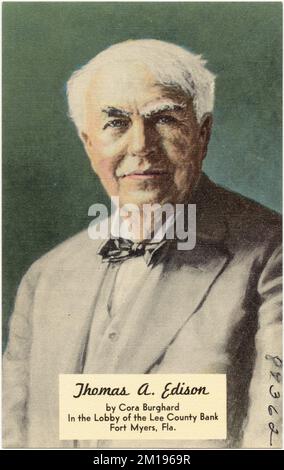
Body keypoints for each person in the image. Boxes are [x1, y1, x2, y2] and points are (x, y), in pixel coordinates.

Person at [3, 39, 282, 449]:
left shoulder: (272, 252)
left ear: (202, 133)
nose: (141, 146)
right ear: (88, 142)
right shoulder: (45, 278)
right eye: (116, 123)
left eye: (164, 119)